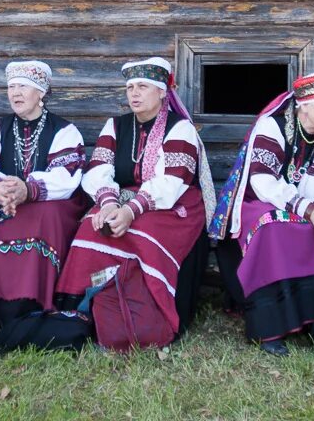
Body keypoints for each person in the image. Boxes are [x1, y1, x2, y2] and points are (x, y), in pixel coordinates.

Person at [54, 57, 215, 343]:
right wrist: (107, 203)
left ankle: (141, 315)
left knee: (143, 232)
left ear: (162, 91)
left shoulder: (180, 128)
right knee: (91, 226)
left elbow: (173, 181)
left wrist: (130, 211)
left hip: (172, 203)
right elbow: (98, 170)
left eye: (142, 86)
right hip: (121, 197)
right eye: (130, 87)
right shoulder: (116, 126)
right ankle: (84, 311)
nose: (134, 93)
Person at [210, 73, 314, 356]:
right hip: (259, 203)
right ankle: (270, 326)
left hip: (303, 205)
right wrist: (311, 210)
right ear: (304, 104)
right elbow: (263, 183)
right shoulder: (272, 127)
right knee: (273, 226)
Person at [0, 61, 87, 338]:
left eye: (23, 86)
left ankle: (25, 313)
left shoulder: (64, 130)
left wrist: (28, 189)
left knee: (42, 216)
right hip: (2, 198)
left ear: (42, 92)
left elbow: (67, 177)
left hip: (47, 203)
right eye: (11, 87)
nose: (15, 93)